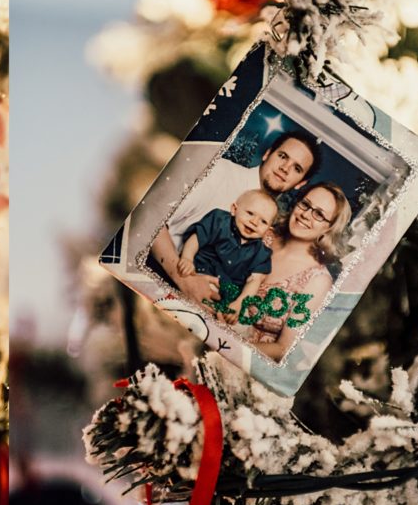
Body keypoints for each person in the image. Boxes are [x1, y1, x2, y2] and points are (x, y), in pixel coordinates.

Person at [149, 129, 321, 303]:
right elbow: (153, 221)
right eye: (283, 156)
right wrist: (185, 282)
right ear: (267, 154)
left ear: (301, 183)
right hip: (157, 283)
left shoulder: (269, 228)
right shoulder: (218, 172)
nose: (285, 168)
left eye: (297, 168)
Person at [240, 182, 351, 360]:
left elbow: (284, 349)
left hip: (245, 359)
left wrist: (226, 344)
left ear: (329, 228)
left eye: (319, 214)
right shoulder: (262, 234)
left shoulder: (318, 281)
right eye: (305, 204)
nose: (306, 215)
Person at [176, 189, 278, 325]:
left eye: (263, 221)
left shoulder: (262, 253)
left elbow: (254, 280)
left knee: (230, 322)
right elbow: (197, 238)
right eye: (250, 213)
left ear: (268, 231)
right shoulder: (219, 220)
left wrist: (239, 303)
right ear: (234, 209)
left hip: (225, 297)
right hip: (197, 276)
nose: (254, 222)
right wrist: (187, 258)